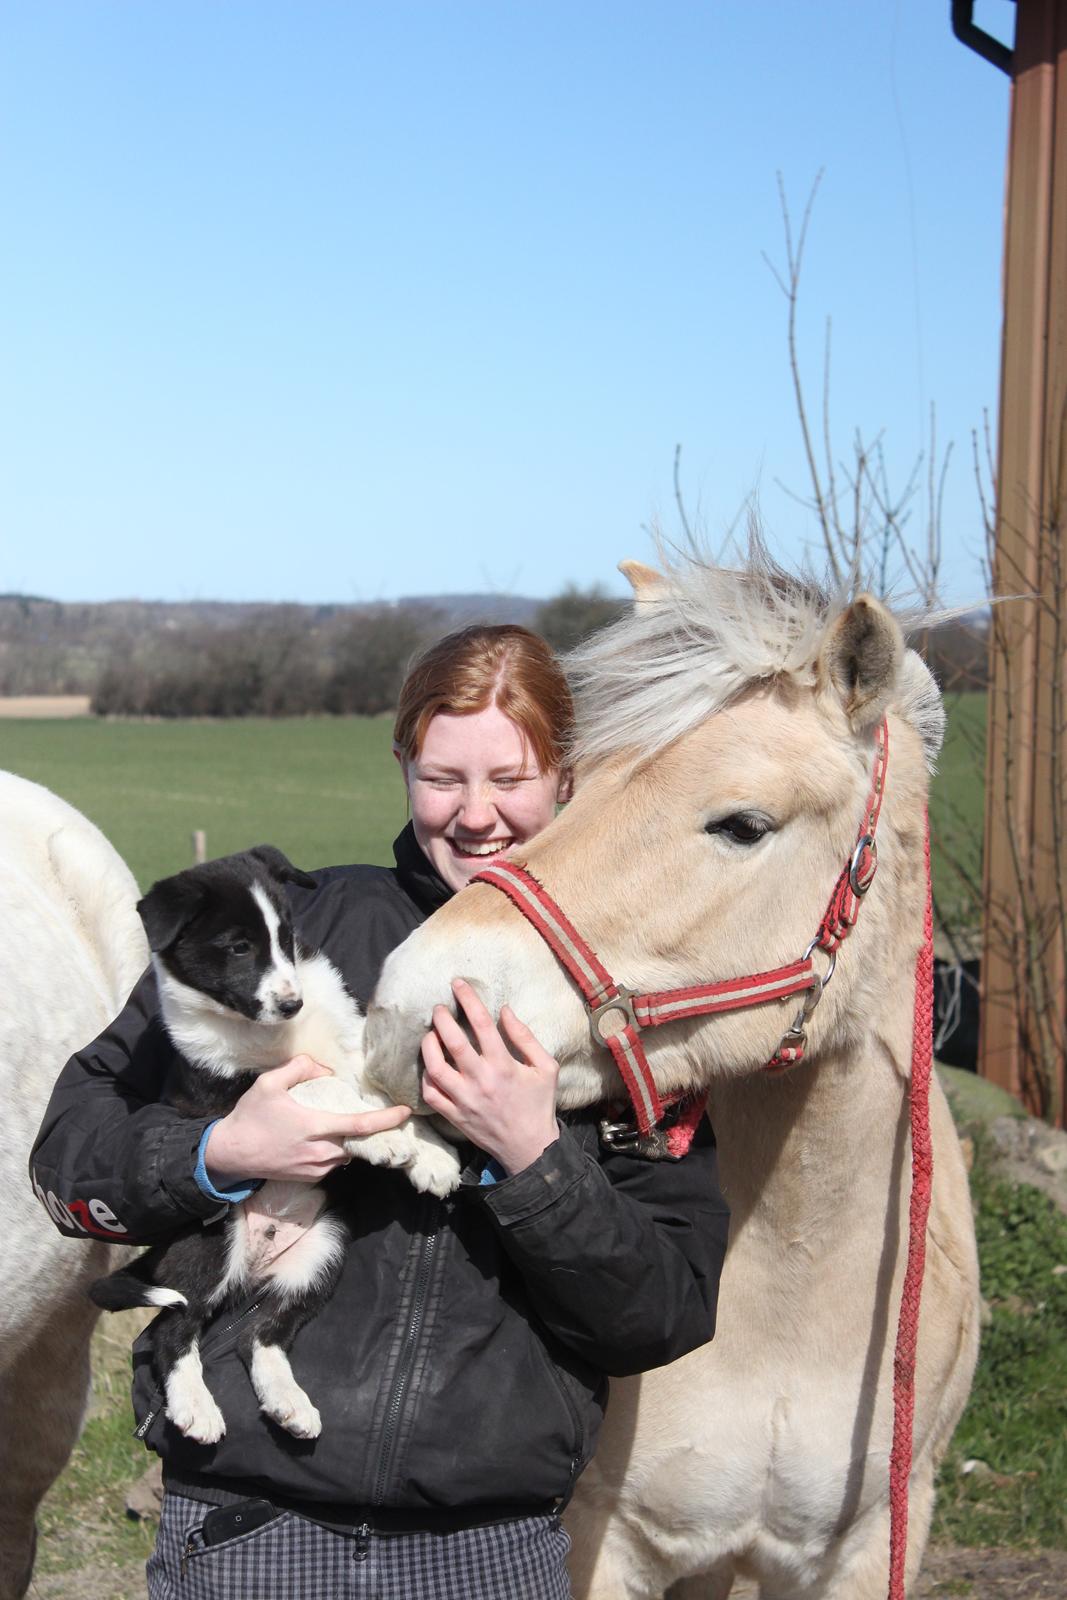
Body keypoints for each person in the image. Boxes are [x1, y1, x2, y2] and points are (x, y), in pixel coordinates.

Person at [30, 624, 730, 1600]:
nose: (476, 814)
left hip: (485, 1555)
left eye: (510, 778)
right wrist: (220, 1150)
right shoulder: (284, 935)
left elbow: (658, 1310)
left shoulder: (628, 1012)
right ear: (401, 764)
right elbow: (66, 1165)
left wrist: (532, 1158)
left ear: (565, 779)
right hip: (252, 1535)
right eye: (443, 776)